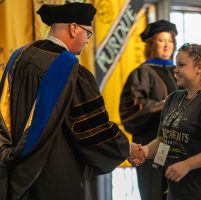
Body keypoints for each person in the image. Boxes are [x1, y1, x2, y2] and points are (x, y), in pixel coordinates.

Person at [0, 3, 144, 200]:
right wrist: (126, 148)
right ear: (73, 28)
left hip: (13, 172)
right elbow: (92, 129)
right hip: (53, 173)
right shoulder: (70, 70)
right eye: (88, 33)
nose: (87, 41)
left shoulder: (18, 58)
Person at [141, 41, 201, 200]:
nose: (175, 70)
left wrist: (187, 165)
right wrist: (144, 152)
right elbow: (165, 140)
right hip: (178, 193)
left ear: (199, 68)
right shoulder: (173, 98)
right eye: (176, 65)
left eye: (181, 65)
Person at [119, 20, 178, 200]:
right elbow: (130, 111)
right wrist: (163, 104)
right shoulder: (142, 73)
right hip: (153, 141)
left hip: (179, 145)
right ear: (151, 44)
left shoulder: (179, 71)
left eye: (170, 40)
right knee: (156, 189)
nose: (167, 45)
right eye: (161, 40)